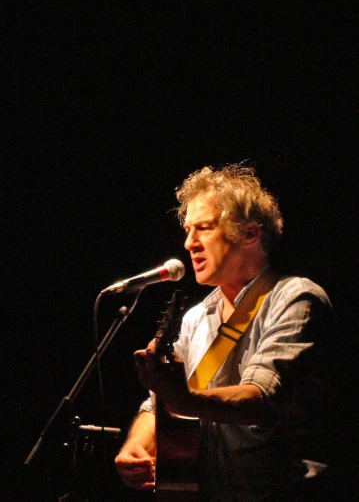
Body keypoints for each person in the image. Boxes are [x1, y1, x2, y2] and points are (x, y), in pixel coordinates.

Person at [114, 163, 347, 501]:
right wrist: (137, 445)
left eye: (203, 228)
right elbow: (160, 405)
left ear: (250, 234)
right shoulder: (195, 318)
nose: (188, 242)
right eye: (188, 230)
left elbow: (260, 400)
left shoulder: (297, 298)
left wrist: (183, 398)